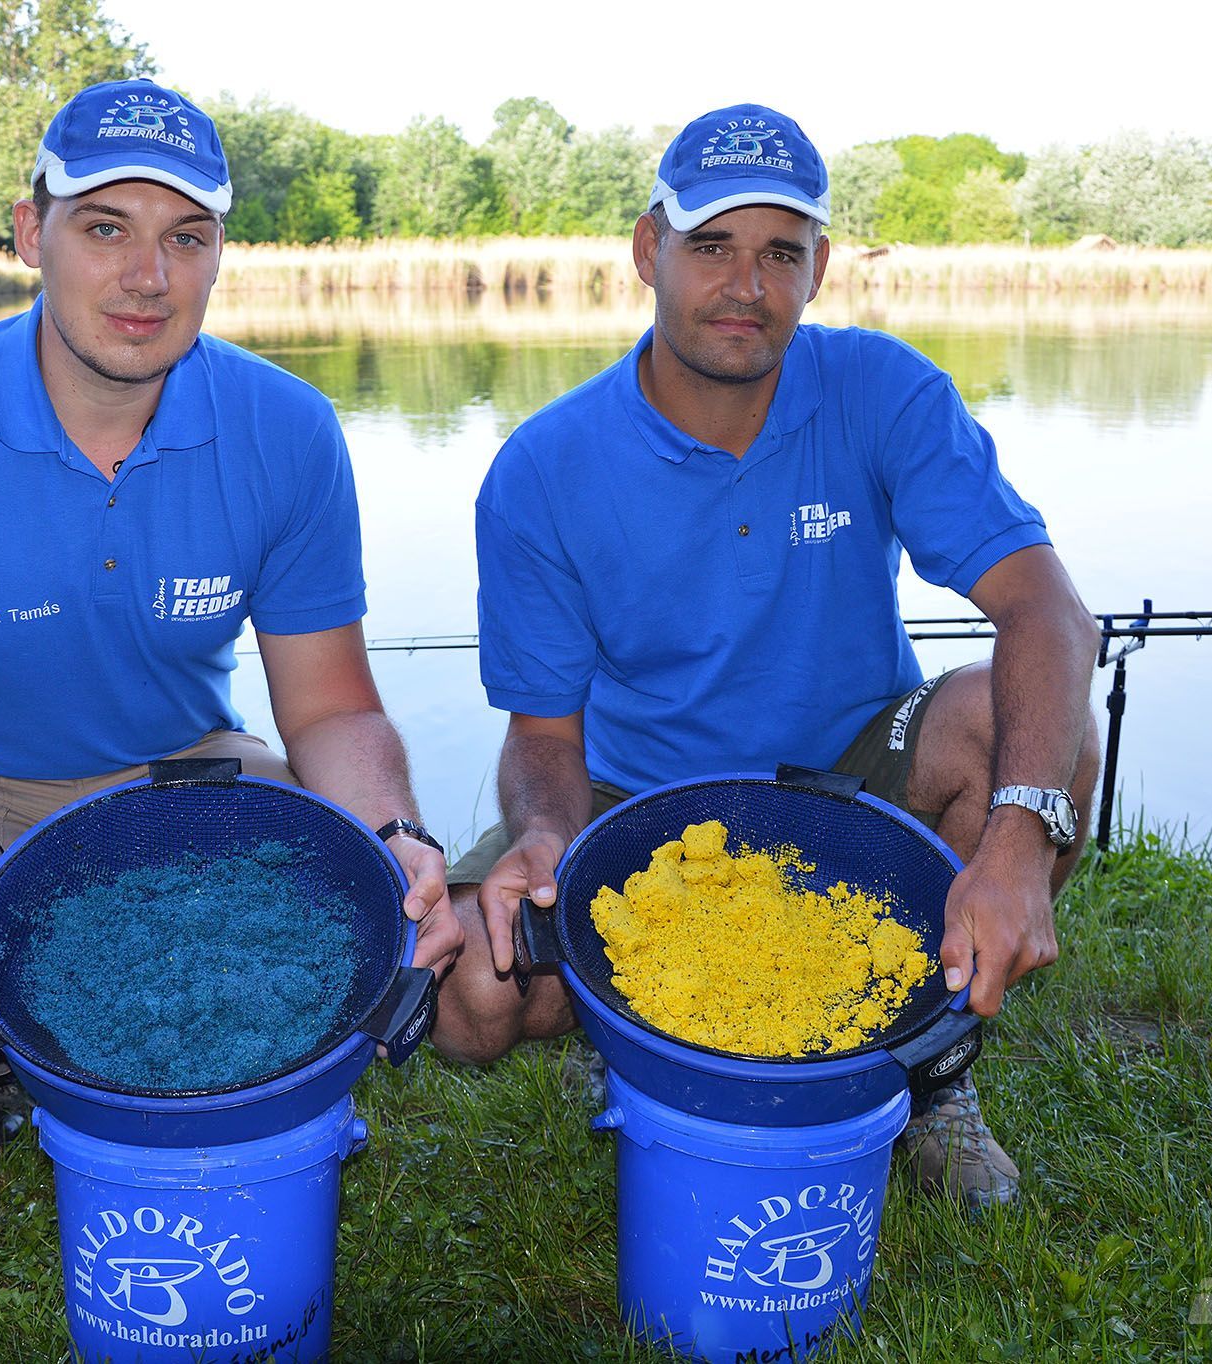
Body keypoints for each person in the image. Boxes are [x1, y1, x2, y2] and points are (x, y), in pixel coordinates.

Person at [0, 78, 458, 1167]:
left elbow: (329, 707)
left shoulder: (290, 427)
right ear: (30, 233)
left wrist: (396, 832)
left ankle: (164, 1063)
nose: (149, 277)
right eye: (105, 228)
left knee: (351, 910)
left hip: (176, 772)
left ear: (221, 253)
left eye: (187, 237)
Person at [429, 104, 1101, 1210]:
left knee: (1028, 724)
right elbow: (544, 730)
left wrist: (1021, 842)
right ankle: (640, 1019)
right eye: (712, 246)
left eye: (780, 253)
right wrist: (547, 836)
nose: (746, 285)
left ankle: (928, 1069)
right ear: (652, 250)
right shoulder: (542, 467)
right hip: (635, 792)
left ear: (820, 268)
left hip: (847, 767)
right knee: (469, 988)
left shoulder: (885, 392)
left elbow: (1051, 613)